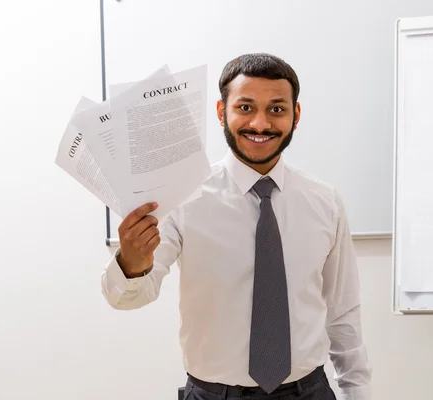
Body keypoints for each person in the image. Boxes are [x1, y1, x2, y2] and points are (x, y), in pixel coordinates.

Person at [101, 53, 372, 400]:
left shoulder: (325, 202)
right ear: (220, 112)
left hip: (309, 392)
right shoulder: (182, 197)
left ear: (296, 115)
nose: (260, 124)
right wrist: (132, 263)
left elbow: (343, 312)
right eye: (245, 107)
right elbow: (127, 298)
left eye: (276, 109)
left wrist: (357, 392)